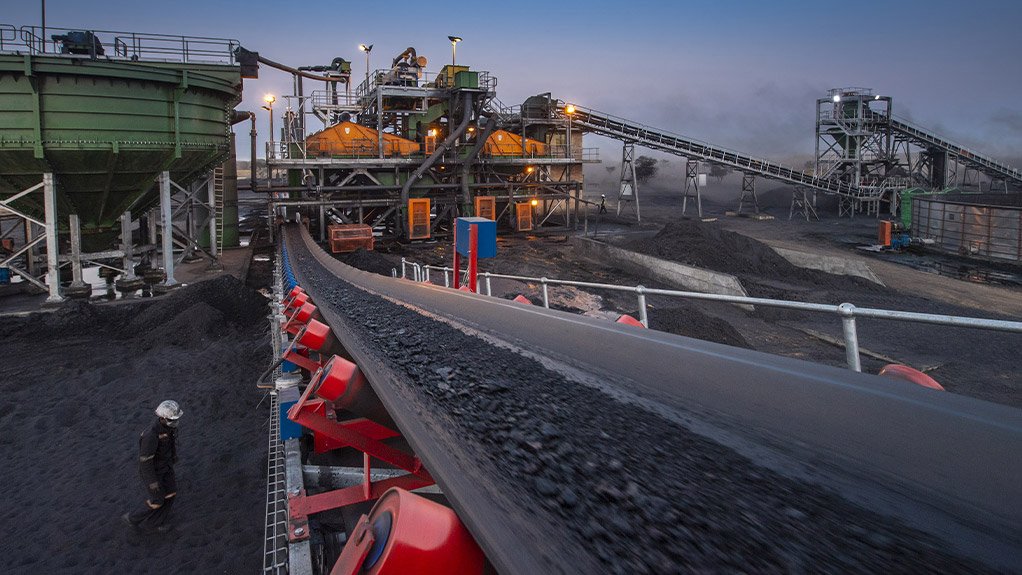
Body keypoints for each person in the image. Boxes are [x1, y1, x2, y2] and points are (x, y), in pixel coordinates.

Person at [123, 400, 182, 532]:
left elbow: (170, 444)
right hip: (154, 473)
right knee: (157, 500)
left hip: (166, 468)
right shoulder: (151, 436)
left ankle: (155, 522)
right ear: (163, 418)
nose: (175, 422)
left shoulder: (168, 429)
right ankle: (132, 518)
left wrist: (173, 458)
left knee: (170, 493)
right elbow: (145, 462)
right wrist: (152, 482)